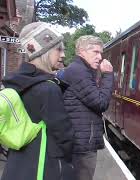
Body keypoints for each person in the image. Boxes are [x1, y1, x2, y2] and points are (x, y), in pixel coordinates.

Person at [1, 22, 75, 180]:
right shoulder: (48, 89)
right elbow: (64, 136)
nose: (63, 55)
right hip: (44, 166)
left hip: (17, 164)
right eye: (58, 49)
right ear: (43, 52)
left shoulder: (16, 82)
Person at [62, 35, 114, 180]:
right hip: (81, 145)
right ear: (81, 51)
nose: (100, 57)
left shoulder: (81, 70)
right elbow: (100, 102)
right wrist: (108, 75)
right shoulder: (78, 71)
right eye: (95, 52)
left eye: (101, 53)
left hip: (82, 140)